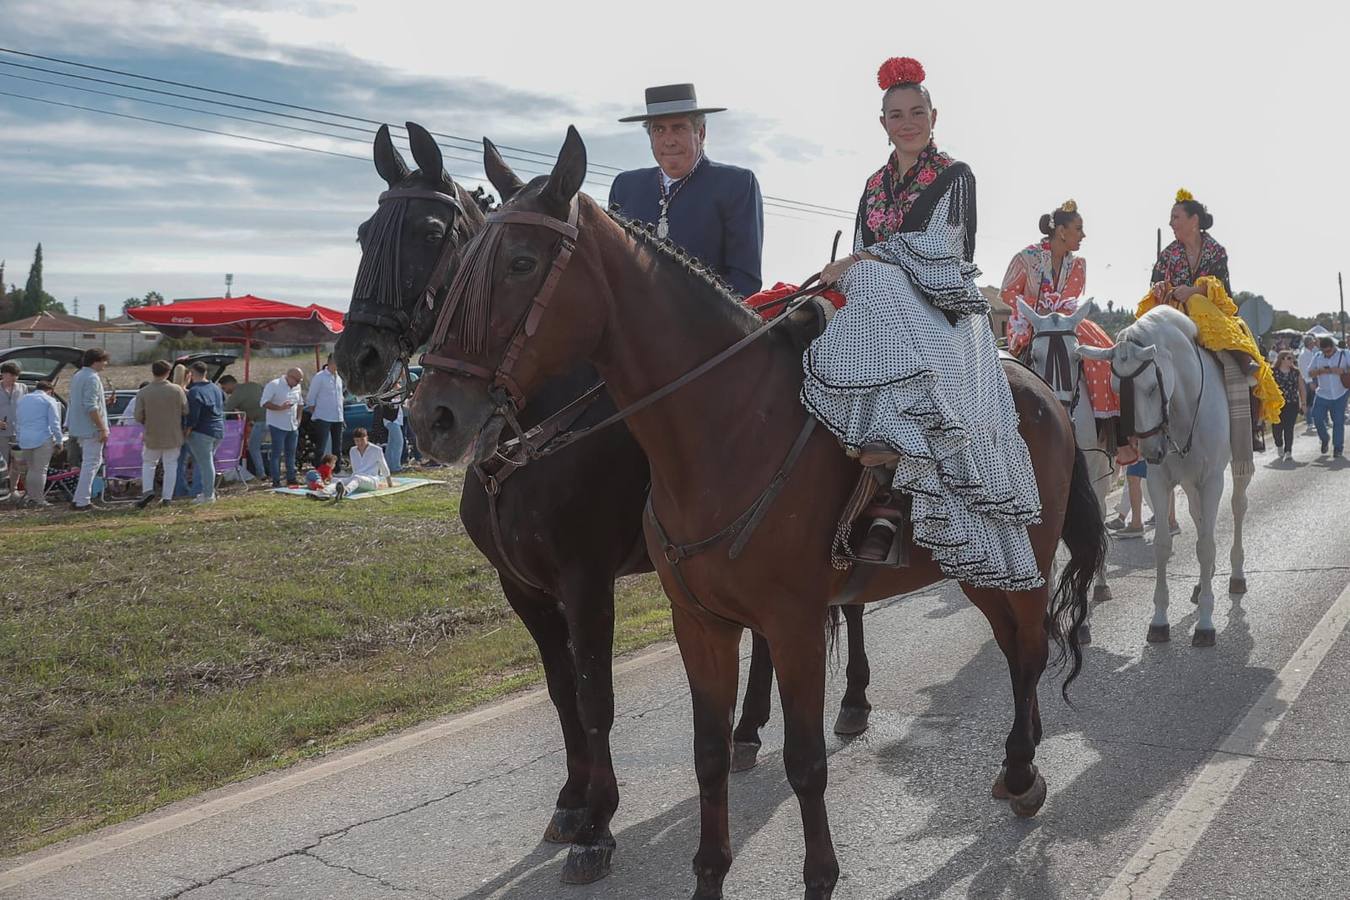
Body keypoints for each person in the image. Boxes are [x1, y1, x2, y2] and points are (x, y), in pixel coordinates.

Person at [801, 57, 1041, 583]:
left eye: (916, 112)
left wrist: (865, 263)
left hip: (941, 299)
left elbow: (943, 246)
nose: (907, 122)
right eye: (895, 115)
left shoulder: (954, 175)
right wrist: (851, 266)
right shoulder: (872, 184)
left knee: (867, 279)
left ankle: (900, 450)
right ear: (882, 123)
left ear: (934, 116)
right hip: (883, 293)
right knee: (816, 306)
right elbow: (862, 245)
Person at [1139, 189, 1283, 433]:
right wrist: (1162, 287)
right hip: (1176, 313)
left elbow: (1224, 290)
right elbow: (1155, 283)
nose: (1171, 223)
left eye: (1175, 217)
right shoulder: (1168, 254)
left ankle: (1249, 427)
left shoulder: (1216, 251)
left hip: (1211, 314)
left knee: (1201, 305)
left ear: (1193, 220)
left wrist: (1194, 291)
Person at [609, 83, 764, 298]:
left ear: (700, 133)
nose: (669, 140)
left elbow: (745, 281)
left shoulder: (736, 184)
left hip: (706, 325)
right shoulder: (625, 186)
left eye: (678, 128)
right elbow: (612, 267)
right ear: (650, 138)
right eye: (659, 130)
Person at [1001, 200, 1118, 421]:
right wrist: (1038, 307)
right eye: (1079, 229)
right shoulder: (1026, 258)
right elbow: (1008, 293)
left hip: (1063, 322)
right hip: (1029, 322)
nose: (1083, 235)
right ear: (1062, 231)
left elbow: (1069, 299)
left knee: (1102, 350)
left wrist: (1054, 309)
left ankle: (1109, 423)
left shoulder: (1077, 265)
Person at [133, 360, 189, 508]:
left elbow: (138, 416)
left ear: (153, 372)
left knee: (149, 463)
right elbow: (185, 410)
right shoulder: (177, 390)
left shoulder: (144, 392)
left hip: (152, 434)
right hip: (173, 434)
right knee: (171, 465)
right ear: (168, 372)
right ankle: (167, 498)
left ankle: (147, 491)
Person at [66, 348, 111, 511]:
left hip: (79, 427)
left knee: (91, 462)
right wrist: (102, 428)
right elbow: (91, 406)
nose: (105, 364)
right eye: (104, 360)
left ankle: (79, 498)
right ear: (96, 361)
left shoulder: (78, 375)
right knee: (92, 462)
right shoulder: (92, 378)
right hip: (91, 428)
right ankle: (83, 500)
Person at [13, 380, 62, 507]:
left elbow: (18, 421)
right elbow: (55, 423)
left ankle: (31, 496)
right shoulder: (49, 400)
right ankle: (39, 498)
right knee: (40, 470)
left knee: (31, 469)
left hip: (25, 438)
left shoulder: (23, 400)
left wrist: (19, 437)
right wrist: (59, 440)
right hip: (42, 438)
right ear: (49, 391)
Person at [183, 361, 226, 503]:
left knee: (205, 464)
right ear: (206, 373)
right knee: (206, 463)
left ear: (191, 374)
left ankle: (208, 495)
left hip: (202, 431)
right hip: (218, 429)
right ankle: (206, 492)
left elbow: (193, 415)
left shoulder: (195, 391)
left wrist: (187, 430)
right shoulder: (215, 388)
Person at [261, 367, 304, 487]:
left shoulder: (297, 387)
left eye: (300, 381)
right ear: (289, 376)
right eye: (297, 380)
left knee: (291, 453)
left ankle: (291, 478)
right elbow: (264, 402)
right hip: (277, 425)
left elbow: (300, 403)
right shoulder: (274, 385)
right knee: (277, 454)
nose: (298, 383)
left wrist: (299, 419)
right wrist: (280, 408)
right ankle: (276, 480)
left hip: (292, 425)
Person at [1308, 335, 1349, 458]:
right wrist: (1321, 371)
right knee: (1317, 417)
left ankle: (1338, 447)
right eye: (1324, 351)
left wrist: (1343, 371)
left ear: (1334, 347)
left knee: (1338, 421)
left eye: (1329, 351)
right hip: (1322, 393)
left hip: (1340, 393)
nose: (1327, 354)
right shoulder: (1318, 357)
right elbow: (1309, 372)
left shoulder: (1345, 354)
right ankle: (1324, 438)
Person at [220, 374, 266, 480]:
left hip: (261, 421)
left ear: (230, 383)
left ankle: (261, 473)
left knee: (253, 448)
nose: (225, 391)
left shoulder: (236, 395)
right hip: (274, 419)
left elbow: (225, 411)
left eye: (224, 388)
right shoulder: (253, 385)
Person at [305, 355, 346, 468]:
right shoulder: (320, 377)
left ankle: (337, 469)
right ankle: (319, 469)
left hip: (338, 417)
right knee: (321, 447)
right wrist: (315, 411)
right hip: (323, 417)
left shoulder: (339, 377)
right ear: (330, 363)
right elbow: (311, 397)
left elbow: (340, 396)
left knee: (337, 447)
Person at [332, 427, 394, 499]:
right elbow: (355, 470)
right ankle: (324, 493)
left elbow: (384, 467)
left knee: (358, 478)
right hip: (355, 477)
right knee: (335, 480)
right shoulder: (352, 450)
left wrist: (390, 484)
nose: (360, 443)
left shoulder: (376, 450)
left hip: (371, 480)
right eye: (357, 441)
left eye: (362, 440)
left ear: (367, 438)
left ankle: (345, 491)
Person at [1270, 350, 1306, 462]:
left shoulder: (1296, 372)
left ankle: (1288, 451)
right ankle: (1279, 445)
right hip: (1277, 405)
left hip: (1292, 403)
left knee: (1289, 428)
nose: (1292, 360)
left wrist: (1303, 403)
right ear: (1282, 359)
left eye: (1293, 358)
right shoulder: (1273, 372)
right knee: (1277, 429)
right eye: (1289, 358)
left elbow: (1301, 388)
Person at [0, 360, 29, 488]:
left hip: (18, 432)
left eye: (16, 375)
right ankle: (3, 488)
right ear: (3, 374)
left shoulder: (22, 387)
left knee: (18, 462)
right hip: (2, 434)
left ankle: (14, 489)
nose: (14, 378)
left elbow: (28, 407)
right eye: (11, 375)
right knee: (3, 462)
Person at [1298, 334, 1320, 432]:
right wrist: (1310, 382)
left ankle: (1314, 421)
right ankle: (1309, 423)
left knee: (1314, 402)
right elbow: (1303, 370)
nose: (1314, 344)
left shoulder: (1311, 353)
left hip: (1313, 379)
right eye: (1312, 342)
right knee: (1308, 403)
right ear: (1308, 343)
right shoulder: (1303, 355)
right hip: (1307, 381)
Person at [381, 397, 404, 473]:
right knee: (399, 442)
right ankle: (395, 467)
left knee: (391, 443)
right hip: (391, 420)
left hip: (396, 420)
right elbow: (389, 405)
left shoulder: (396, 393)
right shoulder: (388, 393)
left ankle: (388, 466)